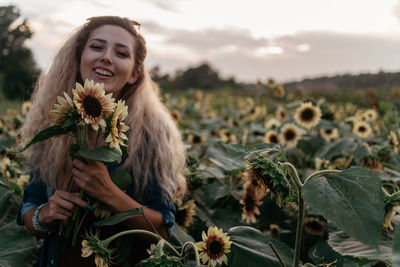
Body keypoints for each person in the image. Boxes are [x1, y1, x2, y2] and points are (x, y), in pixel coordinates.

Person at [17, 16, 187, 266]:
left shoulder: (149, 134)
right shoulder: (55, 123)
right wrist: (45, 215)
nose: (106, 57)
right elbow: (28, 207)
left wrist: (108, 192)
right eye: (97, 47)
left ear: (134, 73)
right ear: (79, 57)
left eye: (121, 53)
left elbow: (161, 230)